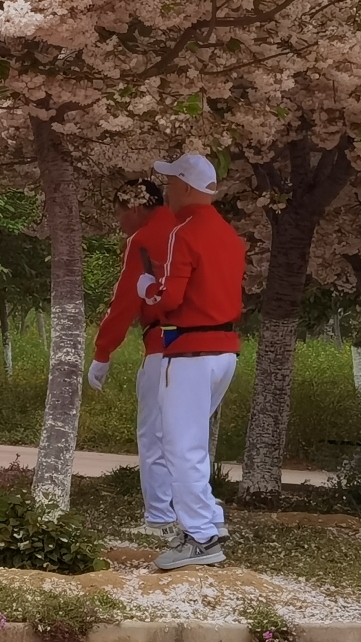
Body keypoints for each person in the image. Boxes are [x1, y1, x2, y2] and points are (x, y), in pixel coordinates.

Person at [140, 152, 246, 571]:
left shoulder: (183, 234)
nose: (167, 190)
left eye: (171, 183)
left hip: (188, 351)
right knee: (191, 442)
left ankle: (200, 536)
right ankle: (209, 522)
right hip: (224, 350)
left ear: (186, 186)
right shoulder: (230, 236)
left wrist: (149, 289)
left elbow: (171, 300)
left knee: (180, 446)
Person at [88, 178, 181, 544]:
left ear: (136, 207)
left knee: (154, 435)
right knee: (186, 438)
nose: (119, 221)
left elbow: (125, 302)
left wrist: (102, 352)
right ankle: (195, 515)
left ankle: (160, 515)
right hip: (209, 348)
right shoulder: (189, 229)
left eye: (119, 212)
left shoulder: (143, 241)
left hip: (164, 344)